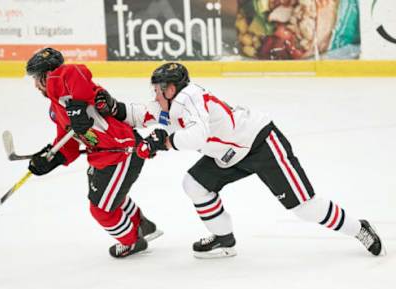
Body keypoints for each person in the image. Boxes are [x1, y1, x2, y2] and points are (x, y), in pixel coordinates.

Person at [94, 62, 384, 259]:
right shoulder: (171, 104)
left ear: (173, 88)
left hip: (260, 144)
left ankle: (359, 228)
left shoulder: (189, 98)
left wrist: (164, 141)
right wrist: (112, 106)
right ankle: (224, 239)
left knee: (304, 207)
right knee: (194, 184)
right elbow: (140, 113)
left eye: (159, 90)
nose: (155, 95)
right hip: (228, 154)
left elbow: (197, 135)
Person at [25, 47, 162, 258]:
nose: (35, 85)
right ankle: (142, 225)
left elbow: (75, 73)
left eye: (36, 78)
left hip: (121, 151)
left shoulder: (65, 79)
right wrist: (50, 159)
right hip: (103, 155)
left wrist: (78, 106)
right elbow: (68, 143)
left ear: (46, 75)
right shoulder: (56, 107)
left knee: (101, 210)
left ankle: (133, 241)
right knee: (104, 198)